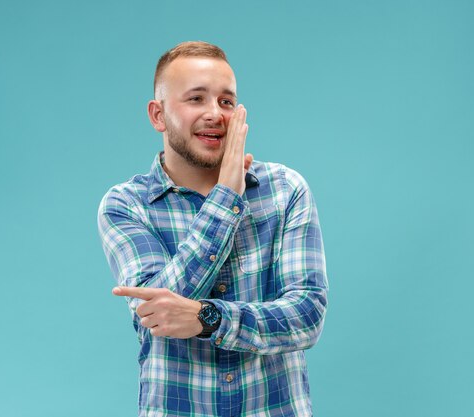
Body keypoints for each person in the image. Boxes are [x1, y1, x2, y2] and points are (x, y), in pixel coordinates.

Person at [97, 41, 328, 417]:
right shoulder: (126, 204)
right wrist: (226, 199)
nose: (215, 114)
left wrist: (209, 317)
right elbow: (158, 313)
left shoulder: (285, 190)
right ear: (158, 115)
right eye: (196, 99)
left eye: (225, 101)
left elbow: (306, 316)